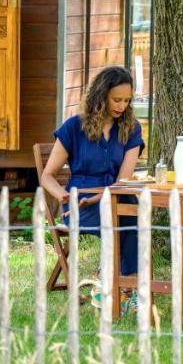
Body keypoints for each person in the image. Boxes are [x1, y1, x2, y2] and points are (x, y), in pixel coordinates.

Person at [40, 65, 144, 312]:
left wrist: (103, 196)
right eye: (116, 99)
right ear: (101, 95)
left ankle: (121, 286)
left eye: (127, 101)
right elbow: (47, 176)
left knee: (133, 212)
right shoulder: (74, 127)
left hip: (114, 196)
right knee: (122, 216)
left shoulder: (131, 129)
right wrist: (63, 196)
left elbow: (122, 182)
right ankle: (118, 287)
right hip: (80, 202)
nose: (121, 106)